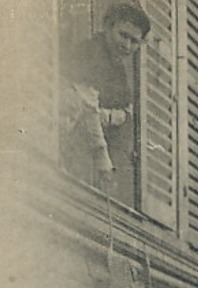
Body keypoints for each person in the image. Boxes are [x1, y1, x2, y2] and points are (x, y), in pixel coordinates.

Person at [61, 3, 151, 183]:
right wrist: (103, 159)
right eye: (123, 35)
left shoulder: (117, 66)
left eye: (134, 41)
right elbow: (87, 108)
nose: (127, 45)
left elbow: (124, 109)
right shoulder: (91, 52)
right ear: (108, 27)